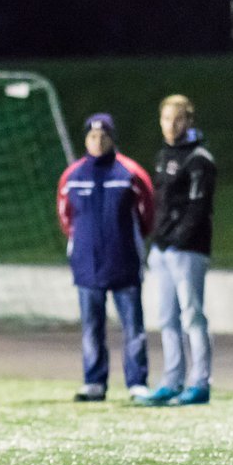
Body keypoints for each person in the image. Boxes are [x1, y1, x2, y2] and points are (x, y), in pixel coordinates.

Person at [56, 112, 154, 402]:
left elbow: (147, 215)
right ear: (85, 139)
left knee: (133, 326)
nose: (97, 141)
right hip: (87, 265)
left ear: (112, 138)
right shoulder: (72, 176)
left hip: (124, 262)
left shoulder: (131, 173)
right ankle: (94, 382)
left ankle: (137, 383)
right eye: (92, 136)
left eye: (103, 136)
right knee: (91, 327)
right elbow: (65, 217)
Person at [144, 94, 215, 406]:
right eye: (166, 119)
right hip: (162, 248)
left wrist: (178, 239)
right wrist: (157, 240)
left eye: (177, 119)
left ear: (189, 121)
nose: (171, 125)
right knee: (167, 317)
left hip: (187, 250)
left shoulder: (199, 159)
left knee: (192, 316)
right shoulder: (163, 155)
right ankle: (172, 380)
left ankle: (199, 382)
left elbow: (198, 208)